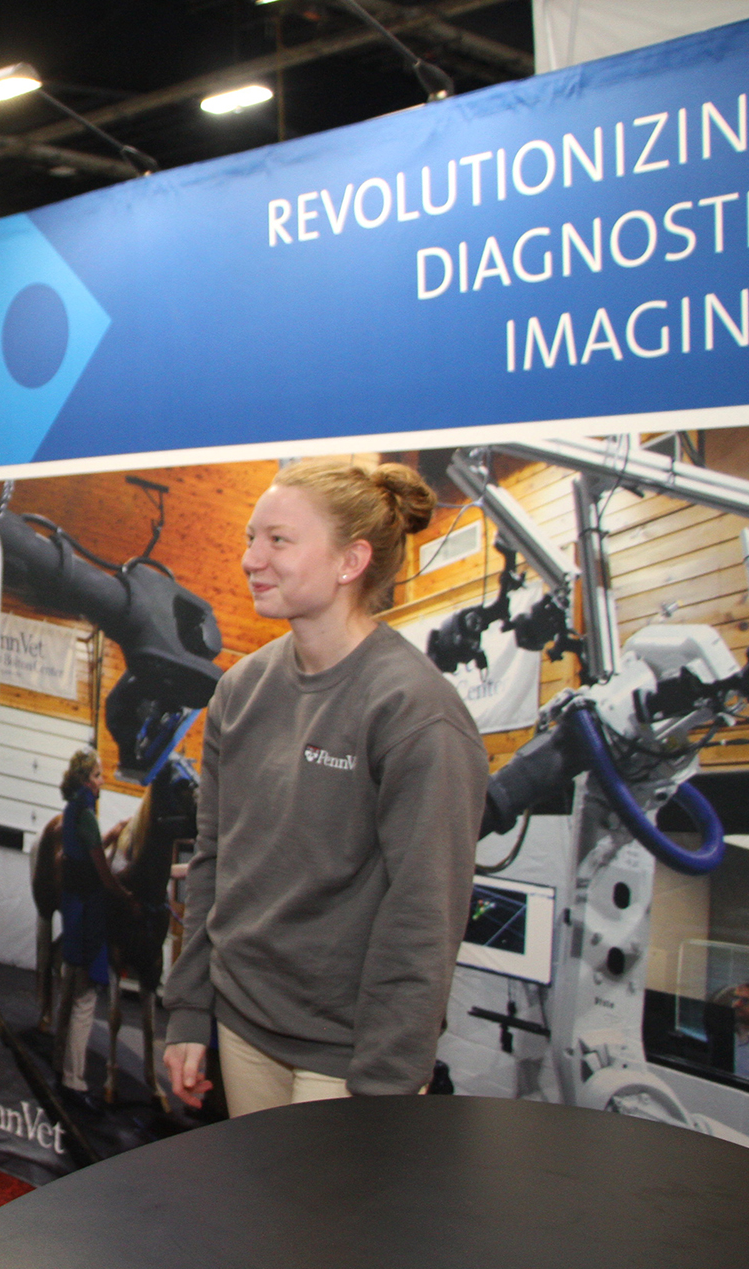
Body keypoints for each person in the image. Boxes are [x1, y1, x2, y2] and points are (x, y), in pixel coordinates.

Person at [160, 459, 486, 1116]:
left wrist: (388, 1084)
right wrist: (191, 1008)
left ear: (350, 561)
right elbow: (212, 860)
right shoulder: (239, 692)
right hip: (243, 1024)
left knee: (328, 1222)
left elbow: (424, 916)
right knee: (258, 1215)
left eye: (278, 540)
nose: (251, 558)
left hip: (350, 1055)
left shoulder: (416, 712)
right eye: (252, 537)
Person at [53, 749, 136, 1099]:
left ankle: (59, 1063)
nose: (103, 782)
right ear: (89, 780)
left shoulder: (73, 811)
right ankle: (74, 1078)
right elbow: (102, 872)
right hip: (89, 917)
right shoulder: (86, 814)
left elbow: (85, 852)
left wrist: (110, 835)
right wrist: (126, 895)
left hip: (73, 912)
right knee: (85, 1001)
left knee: (69, 991)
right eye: (100, 776)